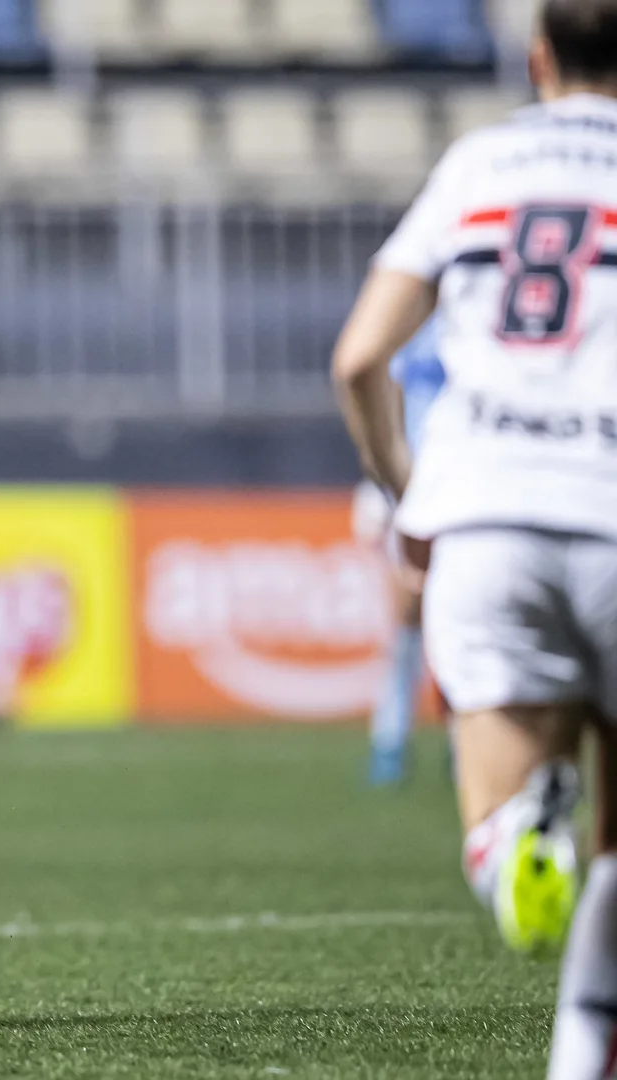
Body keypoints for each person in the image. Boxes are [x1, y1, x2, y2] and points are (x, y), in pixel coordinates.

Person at [330, 2, 617, 1074]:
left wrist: (408, 490)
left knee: (503, 841)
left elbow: (360, 359)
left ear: (538, 56)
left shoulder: (480, 162)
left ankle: (517, 841)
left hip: (489, 516)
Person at [355, 318, 446, 786]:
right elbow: (383, 393)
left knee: (464, 626)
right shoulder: (417, 319)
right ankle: (390, 743)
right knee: (407, 621)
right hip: (412, 484)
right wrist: (378, 486)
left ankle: (465, 739)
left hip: (470, 481)